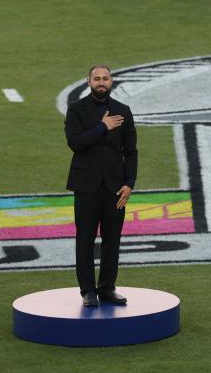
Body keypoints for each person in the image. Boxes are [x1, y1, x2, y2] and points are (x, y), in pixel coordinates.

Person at [64, 65, 138, 307]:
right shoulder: (76, 109)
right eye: (97, 79)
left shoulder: (123, 110)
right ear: (88, 82)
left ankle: (106, 287)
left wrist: (129, 183)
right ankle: (87, 290)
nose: (101, 82)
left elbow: (131, 151)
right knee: (85, 239)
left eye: (105, 78)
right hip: (86, 186)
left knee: (112, 240)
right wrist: (103, 127)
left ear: (112, 81)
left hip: (115, 188)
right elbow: (75, 143)